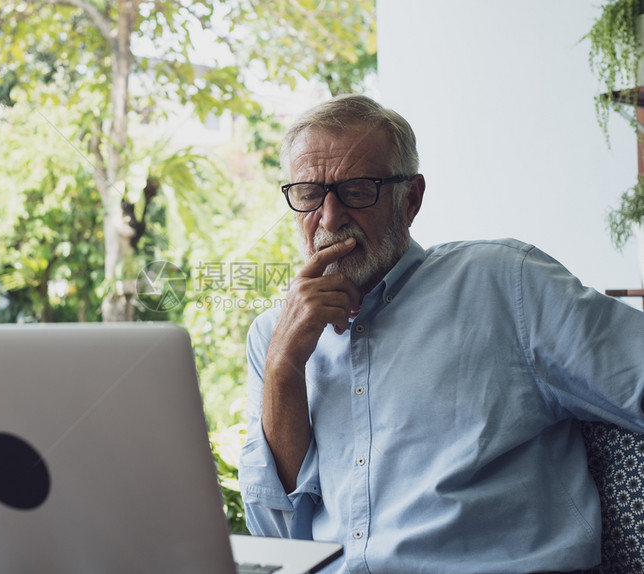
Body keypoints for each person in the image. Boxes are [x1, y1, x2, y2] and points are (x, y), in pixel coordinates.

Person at [238, 93, 644, 573]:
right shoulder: (274, 335)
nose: (329, 218)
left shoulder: (505, 283)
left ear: (410, 199)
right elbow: (281, 539)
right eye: (309, 194)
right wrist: (283, 369)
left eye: (358, 190)